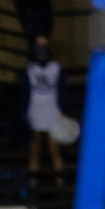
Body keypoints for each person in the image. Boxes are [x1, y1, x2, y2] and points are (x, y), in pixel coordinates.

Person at [22, 38, 65, 176]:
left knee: (52, 147)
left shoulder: (54, 68)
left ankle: (59, 181)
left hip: (50, 108)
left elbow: (62, 90)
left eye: (43, 47)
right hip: (37, 108)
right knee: (36, 147)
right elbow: (25, 91)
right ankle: (35, 181)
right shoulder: (31, 69)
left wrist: (62, 109)